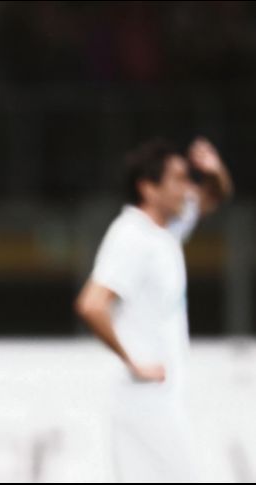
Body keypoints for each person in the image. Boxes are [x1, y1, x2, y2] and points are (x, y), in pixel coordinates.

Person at [75, 137, 233, 482]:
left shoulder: (165, 230)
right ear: (148, 188)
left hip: (162, 397)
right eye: (177, 179)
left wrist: (215, 170)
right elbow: (91, 304)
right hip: (142, 400)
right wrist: (134, 362)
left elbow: (214, 197)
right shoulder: (131, 236)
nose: (187, 188)